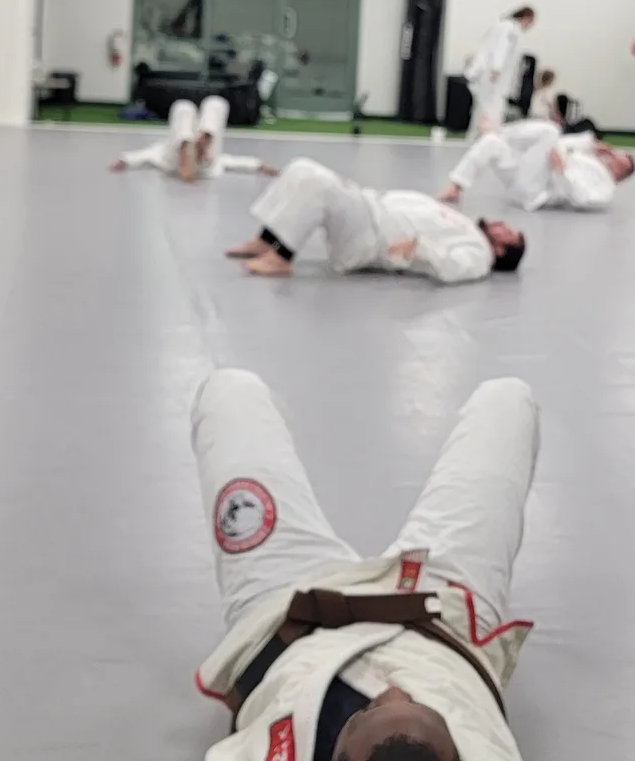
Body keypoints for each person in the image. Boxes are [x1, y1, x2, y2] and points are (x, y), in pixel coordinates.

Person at [189, 367, 539, 760]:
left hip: (285, 609)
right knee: (507, 399)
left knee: (230, 392)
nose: (392, 689)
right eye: (419, 702)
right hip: (443, 606)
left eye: (365, 711)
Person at [226, 158, 526, 283]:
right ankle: (266, 238)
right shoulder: (467, 225)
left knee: (319, 185)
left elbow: (455, 269)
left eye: (508, 234)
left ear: (501, 250)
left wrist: (420, 248)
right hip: (371, 209)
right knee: (302, 168)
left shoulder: (480, 255)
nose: (503, 225)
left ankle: (282, 257)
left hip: (372, 239)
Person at [437, 121, 635, 213]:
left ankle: (499, 131)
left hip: (536, 192)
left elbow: (582, 199)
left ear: (622, 175)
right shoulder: (589, 158)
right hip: (522, 178)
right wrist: (591, 144)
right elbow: (564, 144)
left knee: (550, 131)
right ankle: (456, 187)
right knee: (491, 143)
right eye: (617, 156)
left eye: (620, 163)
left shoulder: (605, 189)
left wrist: (562, 171)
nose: (614, 160)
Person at [109, 95, 276, 181]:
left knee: (186, 106)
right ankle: (186, 148)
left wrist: (124, 160)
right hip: (201, 162)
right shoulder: (161, 152)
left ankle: (197, 143)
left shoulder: (160, 151)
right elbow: (231, 161)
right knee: (202, 105)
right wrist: (259, 165)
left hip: (201, 158)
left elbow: (144, 155)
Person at [464, 7, 534, 138]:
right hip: (494, 77)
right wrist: (496, 69)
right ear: (526, 17)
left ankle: (476, 138)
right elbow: (500, 48)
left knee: (484, 109)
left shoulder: (508, 28)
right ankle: (488, 138)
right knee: (493, 110)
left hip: (496, 77)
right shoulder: (509, 28)